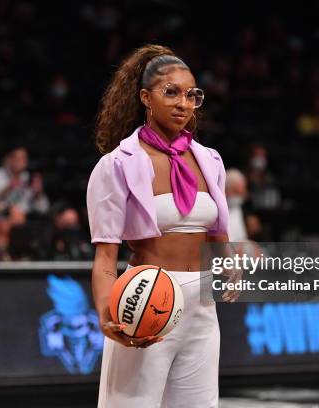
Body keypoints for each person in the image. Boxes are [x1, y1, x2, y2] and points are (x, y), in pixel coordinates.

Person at [87, 44, 230, 408]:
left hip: (202, 305)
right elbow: (106, 258)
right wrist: (107, 315)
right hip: (146, 300)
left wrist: (230, 265)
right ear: (145, 97)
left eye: (191, 95)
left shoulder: (210, 161)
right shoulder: (116, 165)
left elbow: (219, 241)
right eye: (171, 93)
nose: (183, 103)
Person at [0, 144, 49, 235]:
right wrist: (9, 188)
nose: (21, 162)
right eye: (17, 158)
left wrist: (38, 193)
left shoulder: (28, 179)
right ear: (7, 159)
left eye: (24, 158)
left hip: (19, 233)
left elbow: (43, 209)